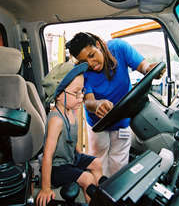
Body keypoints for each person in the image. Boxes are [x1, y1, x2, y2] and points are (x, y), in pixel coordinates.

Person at [66, 32, 160, 177]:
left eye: (92, 55)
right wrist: (97, 104)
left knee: (119, 163)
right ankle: (98, 194)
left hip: (122, 119)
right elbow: (89, 100)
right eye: (84, 61)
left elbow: (144, 66)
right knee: (98, 162)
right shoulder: (82, 70)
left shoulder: (119, 48)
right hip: (98, 124)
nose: (90, 64)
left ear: (98, 45)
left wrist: (150, 69)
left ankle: (114, 195)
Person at [37, 61, 103, 206]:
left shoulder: (71, 111)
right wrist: (45, 188)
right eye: (76, 93)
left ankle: (101, 199)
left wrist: (79, 158)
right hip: (56, 167)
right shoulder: (56, 120)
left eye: (82, 91)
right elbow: (48, 155)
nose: (81, 97)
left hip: (70, 159)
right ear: (59, 94)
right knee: (87, 179)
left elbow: (73, 142)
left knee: (97, 163)